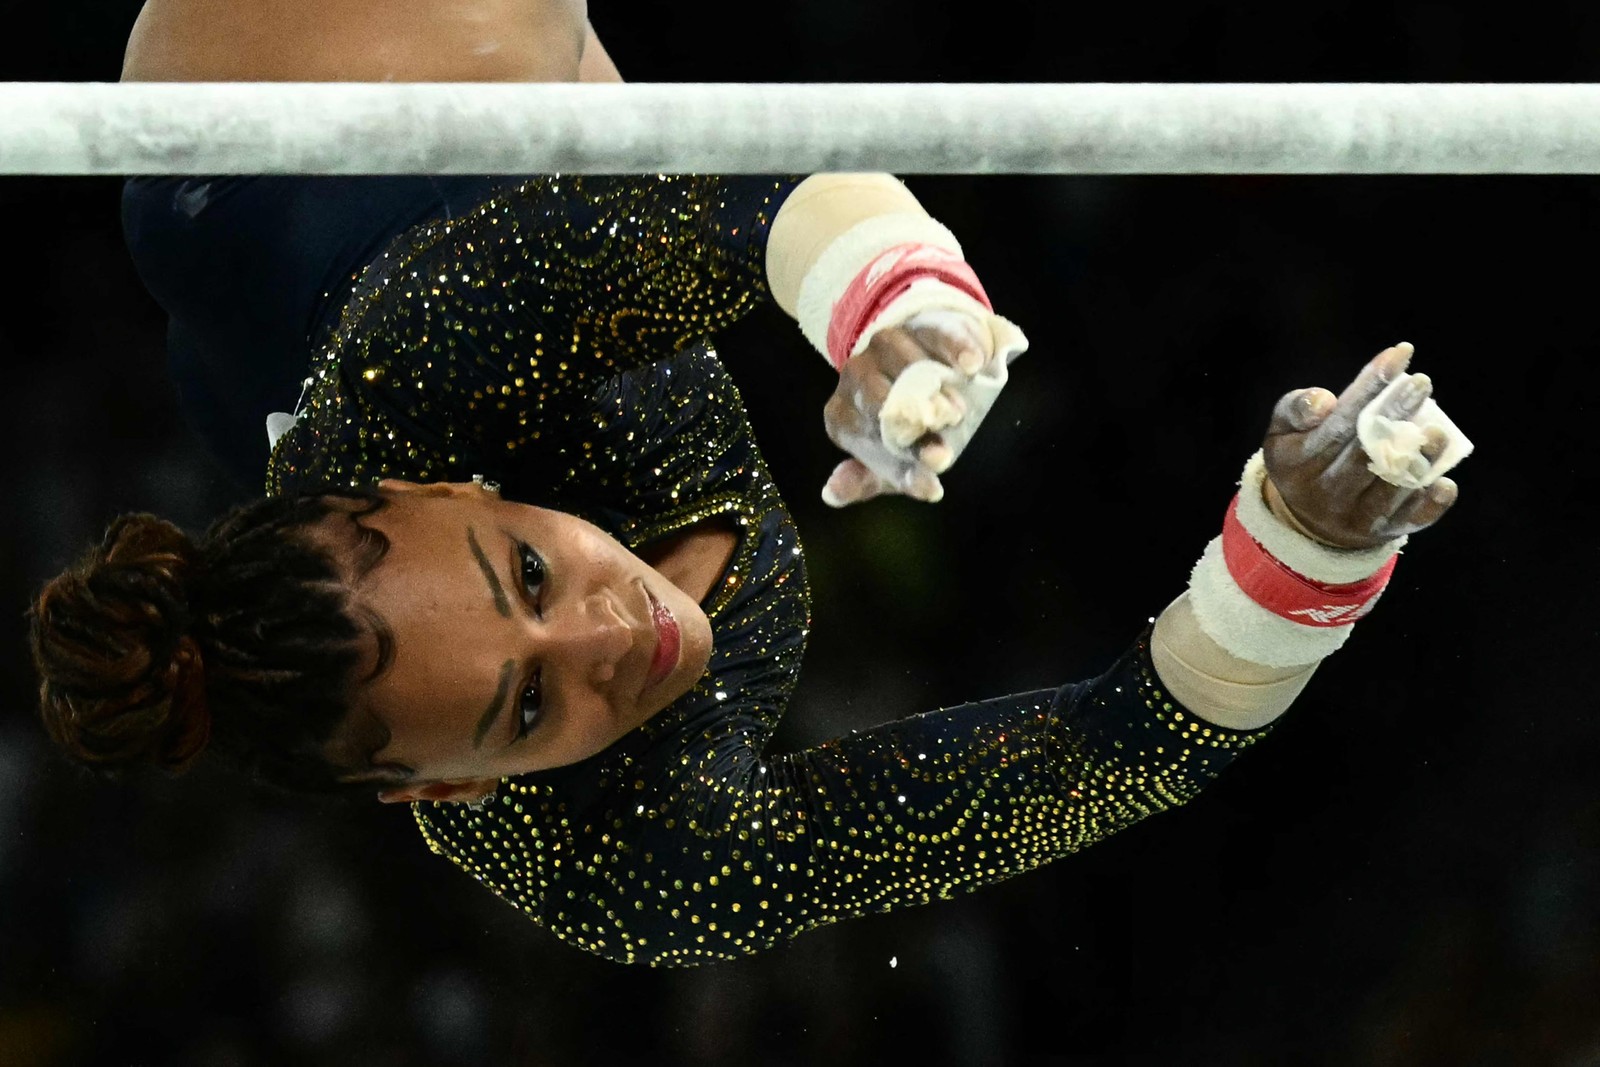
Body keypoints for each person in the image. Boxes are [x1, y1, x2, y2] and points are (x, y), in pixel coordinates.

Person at [28, 0, 1467, 967]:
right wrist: (1303, 553)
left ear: (447, 488)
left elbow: (735, 196)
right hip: (305, 324)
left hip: (285, 153)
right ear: (450, 792)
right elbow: (1118, 755)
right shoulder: (636, 860)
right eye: (530, 707)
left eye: (527, 573)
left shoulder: (422, 368)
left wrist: (903, 308)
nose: (610, 633)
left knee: (494, 70)